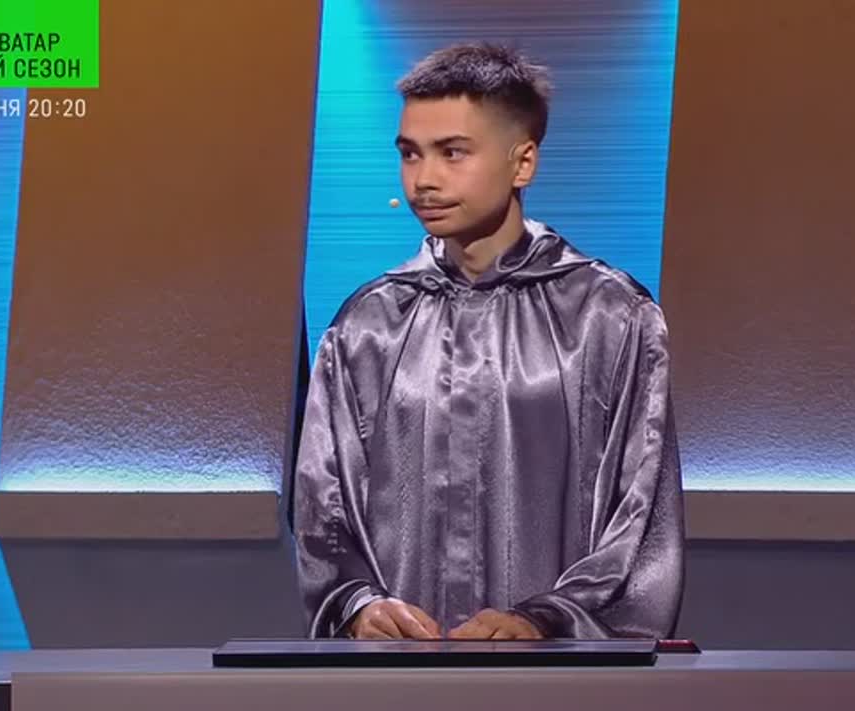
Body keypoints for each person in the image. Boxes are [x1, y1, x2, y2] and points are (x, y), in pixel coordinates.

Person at [293, 42, 683, 641]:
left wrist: (546, 619)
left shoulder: (610, 318)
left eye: (452, 153)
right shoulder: (367, 325)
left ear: (522, 163)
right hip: (398, 672)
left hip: (555, 674)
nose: (424, 180)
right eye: (410, 154)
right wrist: (357, 605)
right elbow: (325, 508)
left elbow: (640, 516)